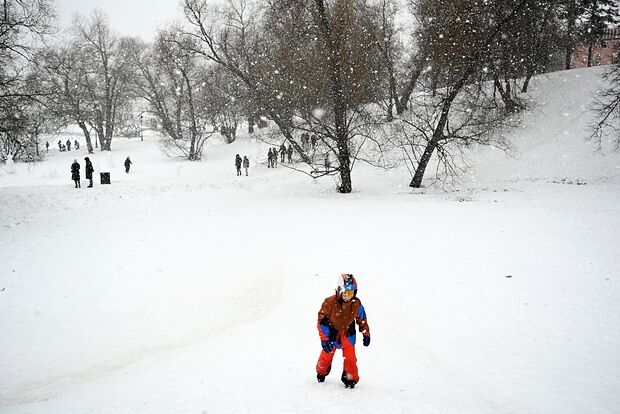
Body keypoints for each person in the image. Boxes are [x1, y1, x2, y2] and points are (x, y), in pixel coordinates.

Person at [316, 274, 370, 388]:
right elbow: (322, 321)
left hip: (348, 334)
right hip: (332, 333)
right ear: (339, 291)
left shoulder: (356, 304)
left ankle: (350, 378)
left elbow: (362, 318)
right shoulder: (330, 302)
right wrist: (325, 339)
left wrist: (365, 333)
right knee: (327, 354)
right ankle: (321, 371)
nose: (347, 297)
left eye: (351, 293)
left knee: (350, 358)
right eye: (345, 293)